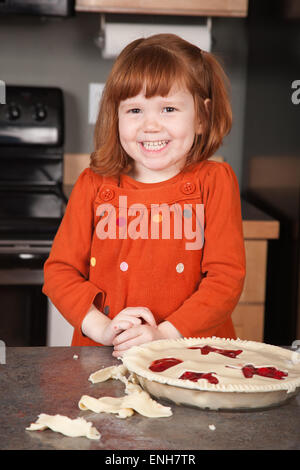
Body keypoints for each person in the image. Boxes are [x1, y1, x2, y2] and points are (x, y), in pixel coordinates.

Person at [43, 34, 246, 357]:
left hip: (191, 354)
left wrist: (163, 334)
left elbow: (225, 280)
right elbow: (59, 272)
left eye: (168, 108)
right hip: (106, 353)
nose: (150, 126)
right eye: (135, 109)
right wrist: (102, 328)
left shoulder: (216, 182)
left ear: (202, 118)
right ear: (116, 115)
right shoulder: (93, 183)